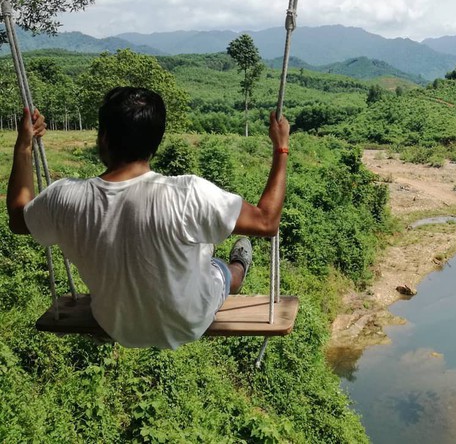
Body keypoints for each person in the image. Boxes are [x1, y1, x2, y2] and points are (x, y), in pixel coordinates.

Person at [6, 87, 290, 349]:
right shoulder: (187, 194)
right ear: (156, 141)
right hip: (188, 323)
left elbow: (18, 219)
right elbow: (266, 222)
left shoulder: (64, 197)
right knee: (219, 269)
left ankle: (213, 252)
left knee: (197, 247)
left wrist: (24, 146)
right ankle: (238, 265)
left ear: (103, 137)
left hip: (117, 326)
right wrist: (281, 148)